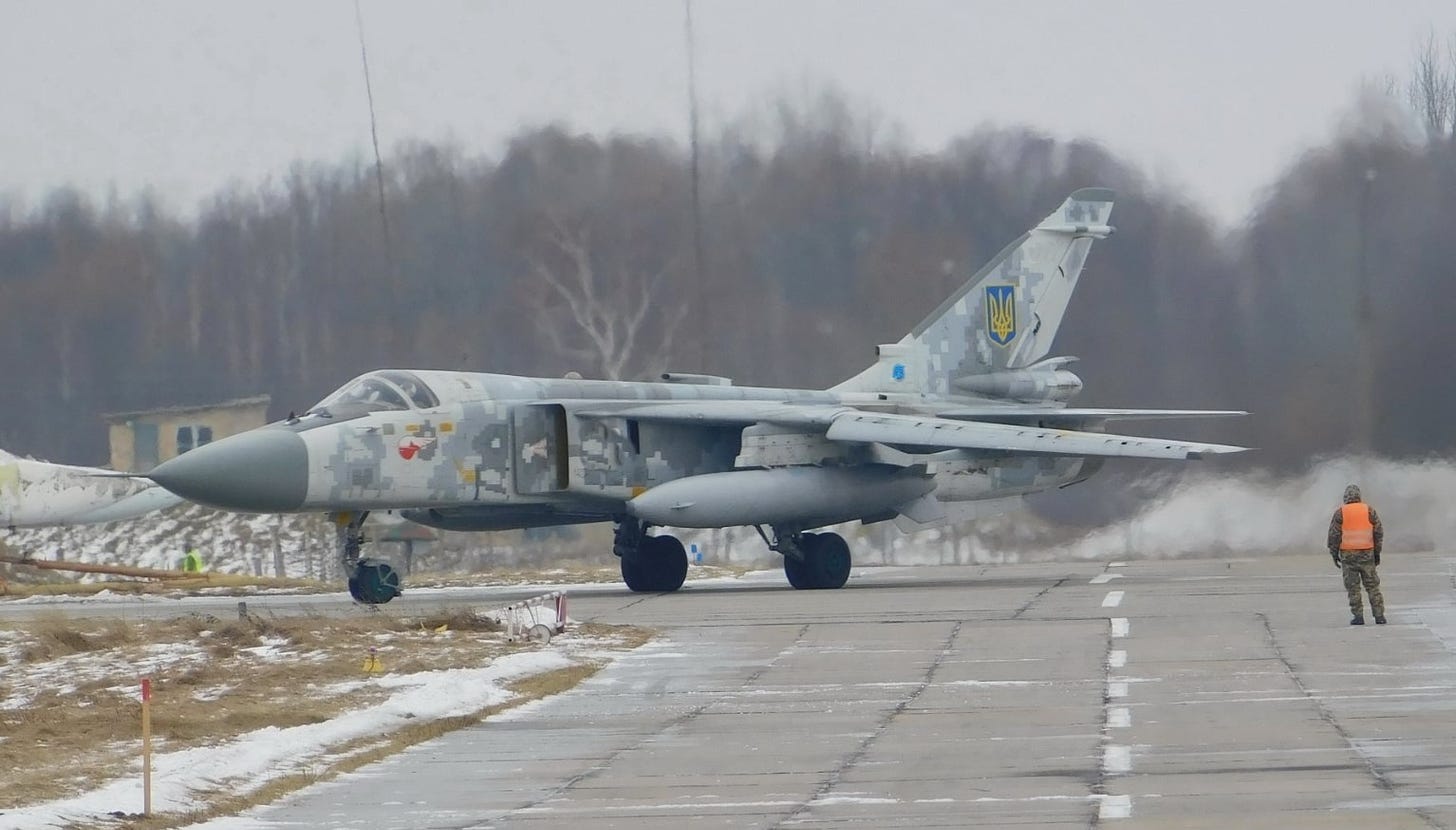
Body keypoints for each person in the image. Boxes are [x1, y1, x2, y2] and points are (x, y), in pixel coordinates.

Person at [1327, 484, 1384, 625]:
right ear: (1359, 496)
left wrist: (1334, 554)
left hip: (1348, 555)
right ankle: (1379, 616)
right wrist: (1377, 553)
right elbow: (1378, 532)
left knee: (1353, 587)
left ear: (1346, 497)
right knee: (1372, 586)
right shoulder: (1369, 510)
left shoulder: (1340, 513)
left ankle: (1358, 617)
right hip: (1367, 554)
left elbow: (1334, 535)